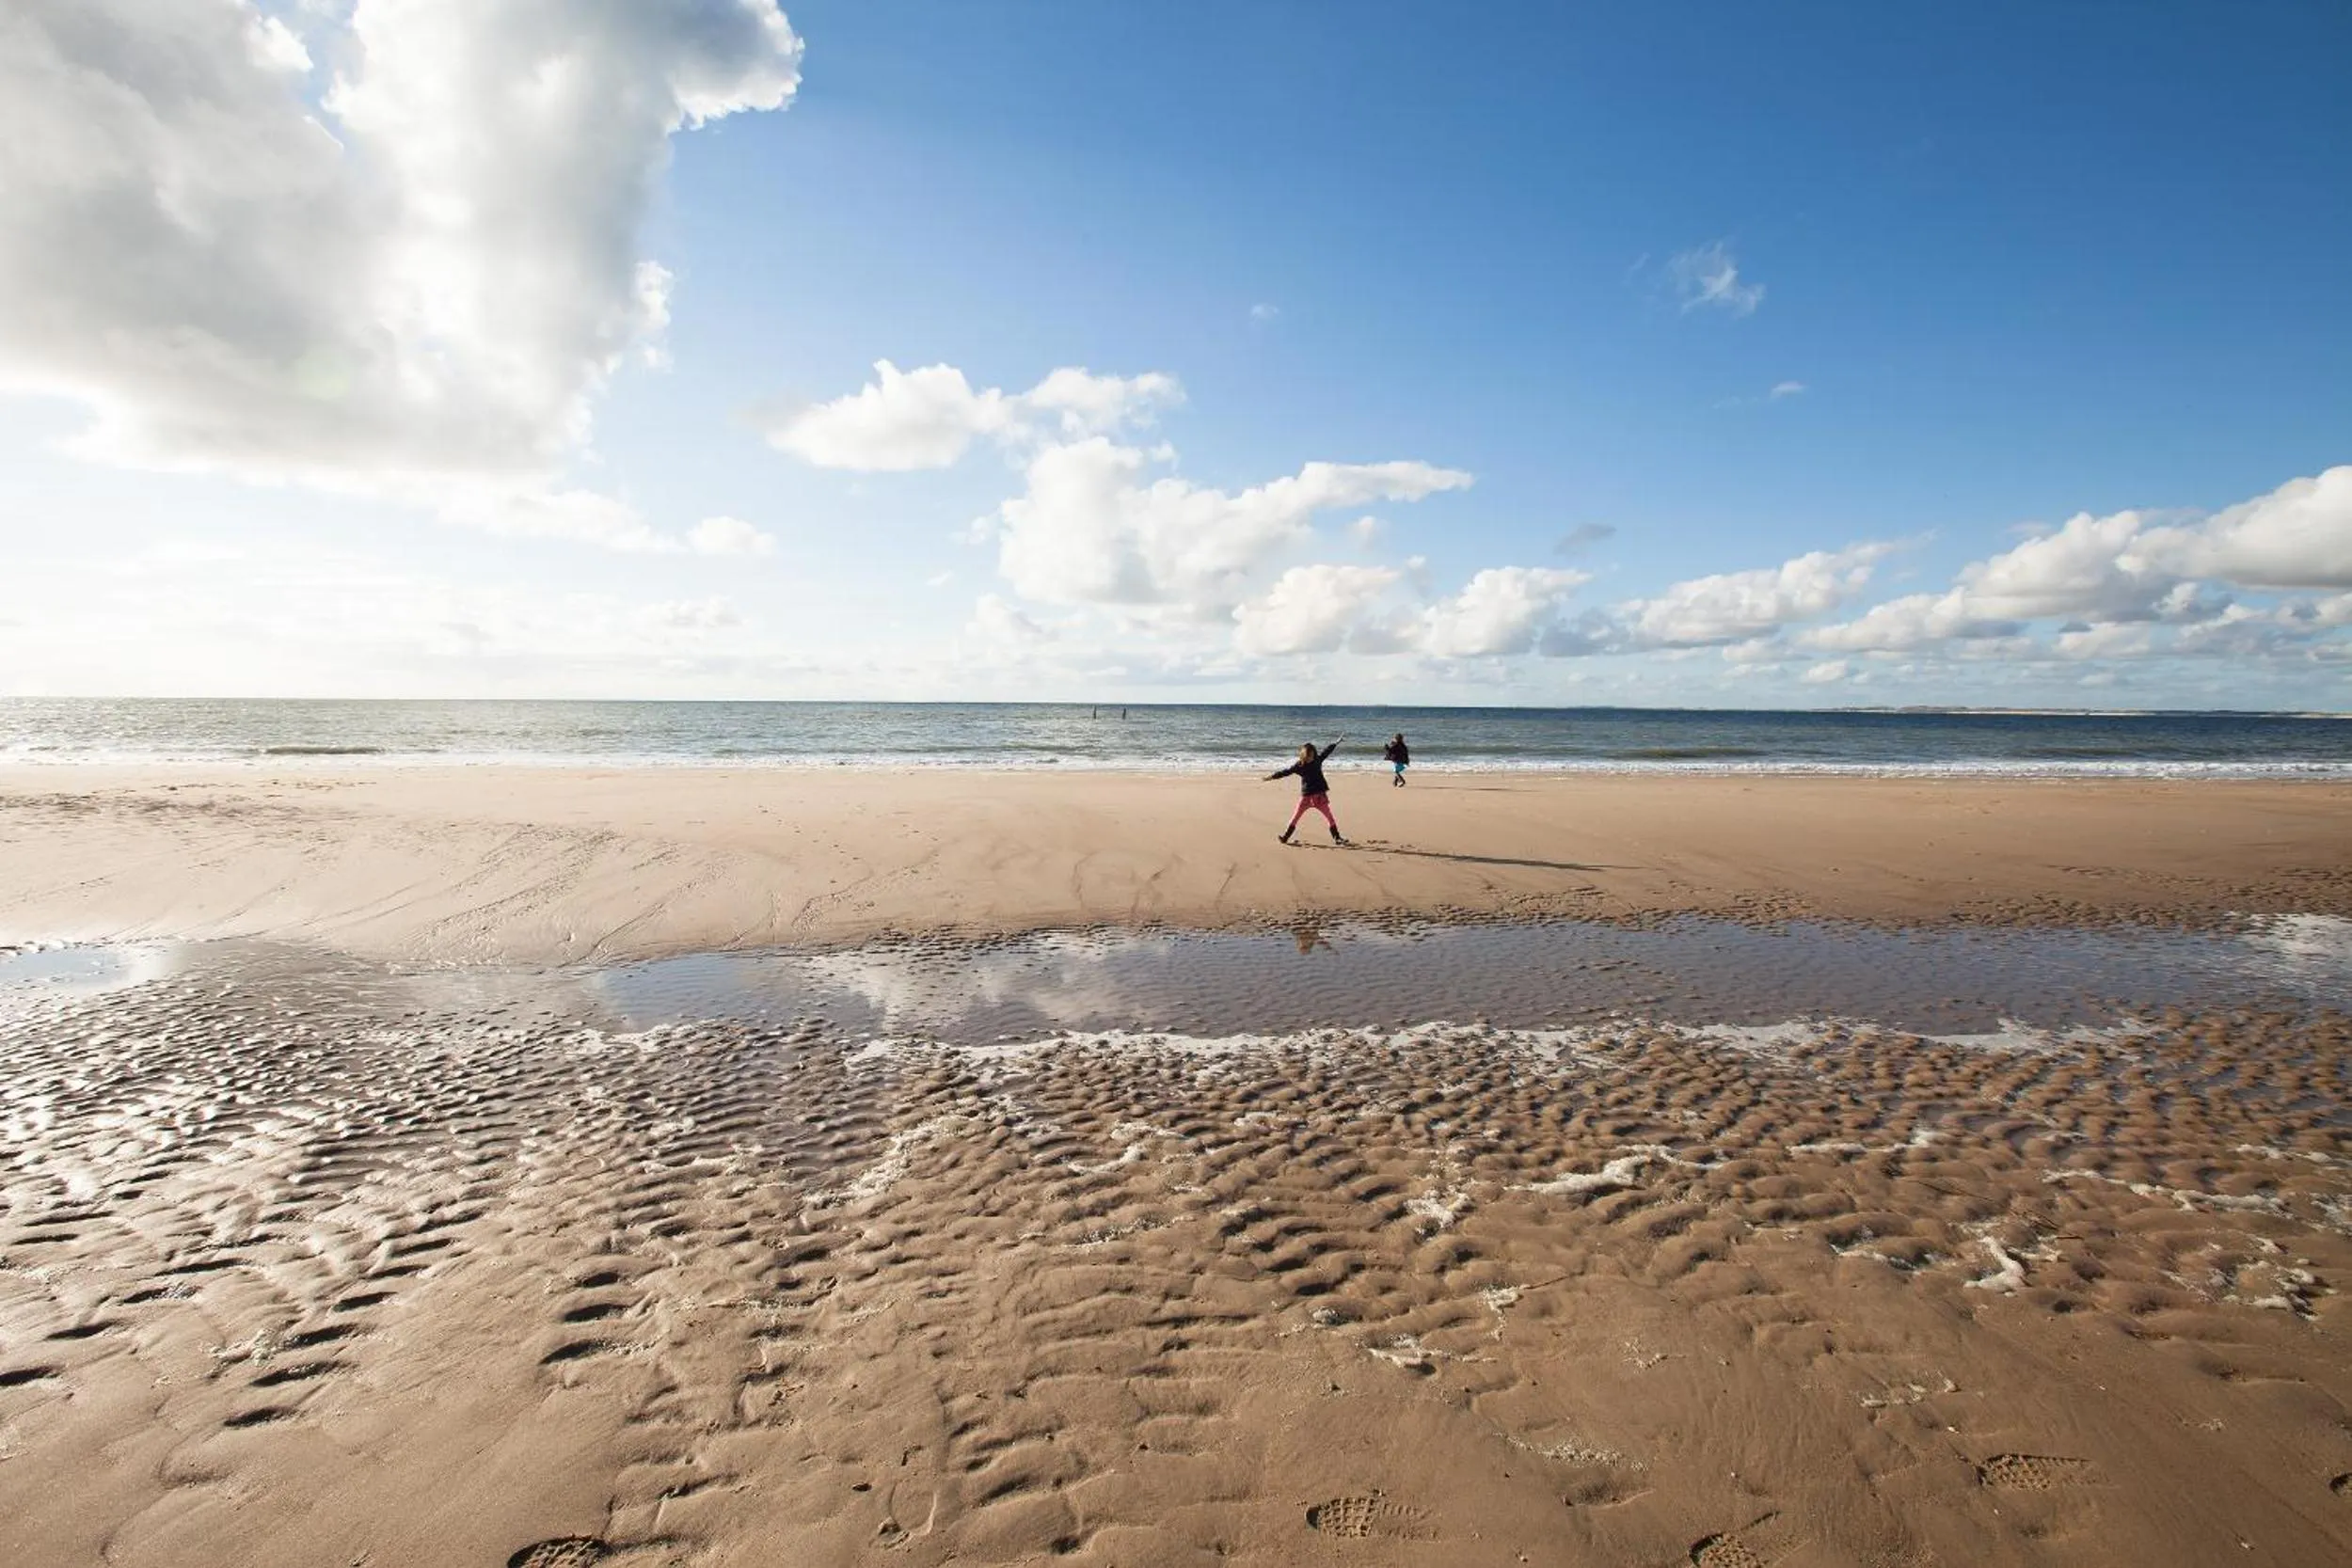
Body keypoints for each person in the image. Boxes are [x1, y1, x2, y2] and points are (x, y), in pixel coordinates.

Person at [1267, 739, 1348, 845]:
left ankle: (1337, 838)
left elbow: (1326, 751)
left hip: (1319, 797)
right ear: (1303, 755)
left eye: (1312, 755)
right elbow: (1286, 772)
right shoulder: (1299, 766)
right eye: (1308, 756)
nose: (1310, 758)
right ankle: (1285, 837)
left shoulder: (1317, 760)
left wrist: (1336, 742)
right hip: (1306, 798)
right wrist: (1272, 777)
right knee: (1296, 817)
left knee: (1329, 817)